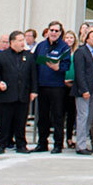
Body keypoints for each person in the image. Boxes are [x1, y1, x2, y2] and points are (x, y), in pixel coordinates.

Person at [0, 30, 36, 154]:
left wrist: (34, 91)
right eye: (20, 40)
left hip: (23, 94)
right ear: (12, 42)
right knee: (5, 121)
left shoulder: (29, 55)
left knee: (21, 122)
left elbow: (33, 75)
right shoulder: (1, 56)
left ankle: (21, 145)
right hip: (7, 95)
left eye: (24, 40)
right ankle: (1, 145)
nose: (23, 43)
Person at [32, 22, 71, 154]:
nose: (54, 33)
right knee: (42, 117)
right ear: (47, 31)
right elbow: (35, 65)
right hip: (42, 86)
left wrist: (58, 68)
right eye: (52, 30)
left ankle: (58, 144)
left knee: (57, 116)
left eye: (56, 31)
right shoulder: (41, 46)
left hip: (57, 87)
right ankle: (42, 143)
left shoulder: (64, 47)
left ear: (60, 33)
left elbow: (67, 65)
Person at [72, 26, 93, 155]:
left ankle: (84, 142)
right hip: (84, 90)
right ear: (87, 39)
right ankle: (80, 145)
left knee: (89, 118)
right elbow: (79, 72)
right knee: (82, 117)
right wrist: (84, 89)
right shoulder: (81, 52)